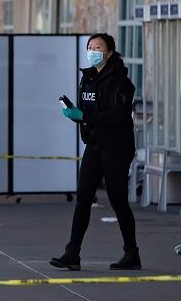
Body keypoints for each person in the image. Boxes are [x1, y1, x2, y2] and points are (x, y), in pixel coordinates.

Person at [50, 33, 140, 271]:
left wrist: (85, 117)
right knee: (83, 197)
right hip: (95, 144)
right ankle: (72, 252)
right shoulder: (87, 78)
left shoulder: (121, 82)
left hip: (117, 147)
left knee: (117, 199)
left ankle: (132, 253)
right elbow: (89, 113)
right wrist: (75, 115)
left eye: (98, 47)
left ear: (109, 52)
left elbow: (116, 116)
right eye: (90, 47)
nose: (92, 51)